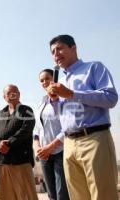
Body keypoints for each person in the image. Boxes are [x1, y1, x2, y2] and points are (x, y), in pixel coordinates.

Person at [47, 34, 118, 200]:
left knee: (102, 195)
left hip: (94, 139)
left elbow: (110, 98)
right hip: (69, 144)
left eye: (60, 48)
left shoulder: (94, 68)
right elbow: (64, 115)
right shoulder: (61, 80)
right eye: (52, 51)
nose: (56, 54)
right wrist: (56, 101)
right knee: (78, 197)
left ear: (73, 48)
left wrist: (71, 93)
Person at [0, 84, 38, 200]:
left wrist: (9, 143)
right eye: (8, 93)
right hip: (3, 160)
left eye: (14, 92)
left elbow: (26, 130)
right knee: (7, 196)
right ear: (4, 97)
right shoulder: (0, 114)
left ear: (19, 94)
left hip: (21, 161)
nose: (12, 95)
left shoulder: (26, 111)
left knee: (26, 196)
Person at [34, 69, 69, 200]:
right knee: (51, 194)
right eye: (41, 80)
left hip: (60, 151)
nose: (44, 82)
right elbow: (37, 129)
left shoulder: (64, 101)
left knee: (62, 194)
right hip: (44, 155)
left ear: (54, 79)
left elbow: (68, 127)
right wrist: (37, 147)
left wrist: (50, 147)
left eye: (47, 78)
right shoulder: (42, 102)